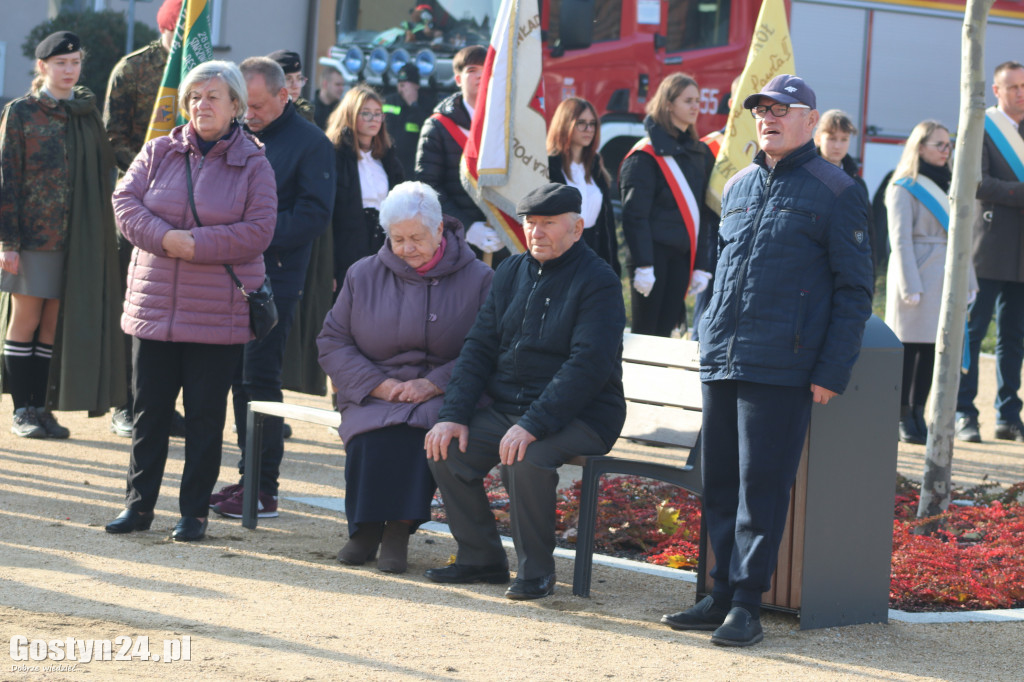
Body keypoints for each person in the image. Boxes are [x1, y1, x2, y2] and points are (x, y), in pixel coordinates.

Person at [664, 75, 872, 646]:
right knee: (720, 485)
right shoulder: (737, 186)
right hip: (724, 359)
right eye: (761, 111)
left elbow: (855, 291)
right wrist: (707, 334)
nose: (769, 119)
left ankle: (748, 605)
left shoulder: (836, 190)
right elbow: (722, 271)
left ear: (810, 120)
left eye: (783, 110)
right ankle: (721, 594)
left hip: (784, 364)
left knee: (763, 486)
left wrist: (831, 370)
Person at [423, 183, 626, 601]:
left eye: (548, 224)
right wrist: (453, 413)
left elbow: (587, 366)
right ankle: (481, 558)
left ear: (577, 228)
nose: (536, 233)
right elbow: (478, 347)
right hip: (510, 409)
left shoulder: (599, 281)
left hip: (584, 415)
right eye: (530, 223)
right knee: (445, 447)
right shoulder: (511, 271)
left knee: (525, 458)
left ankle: (536, 571)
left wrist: (533, 424)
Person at [106, 60, 277, 541]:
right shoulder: (158, 151)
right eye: (195, 97)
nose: (203, 105)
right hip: (154, 307)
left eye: (214, 96)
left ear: (236, 105)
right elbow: (125, 203)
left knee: (205, 418)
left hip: (216, 313)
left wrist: (195, 245)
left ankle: (193, 513)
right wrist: (167, 238)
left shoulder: (255, 164)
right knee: (149, 415)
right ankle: (138, 508)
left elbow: (259, 231)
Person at [317, 182, 493, 574]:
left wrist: (433, 383)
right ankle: (364, 529)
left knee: (422, 432)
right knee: (371, 434)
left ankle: (398, 530)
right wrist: (376, 385)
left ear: (439, 230)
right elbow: (332, 341)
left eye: (416, 238)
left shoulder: (479, 278)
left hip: (444, 390)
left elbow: (489, 348)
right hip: (374, 388)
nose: (406, 248)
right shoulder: (363, 274)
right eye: (397, 239)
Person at [208, 56, 336, 520]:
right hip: (223, 274)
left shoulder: (312, 144)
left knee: (259, 382)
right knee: (233, 383)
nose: (249, 113)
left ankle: (264, 490)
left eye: (258, 105)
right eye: (244, 104)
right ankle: (247, 478)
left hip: (273, 280)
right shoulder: (235, 134)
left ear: (286, 96)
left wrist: (249, 232)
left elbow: (313, 216)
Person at [1, 31, 126, 439]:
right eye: (60, 64)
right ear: (43, 68)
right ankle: (22, 409)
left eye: (74, 63)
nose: (69, 71)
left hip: (76, 238)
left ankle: (42, 407)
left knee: (54, 325)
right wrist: (8, 242)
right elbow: (6, 179)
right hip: (32, 236)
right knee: (27, 319)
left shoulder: (85, 113)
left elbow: (108, 164)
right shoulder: (22, 112)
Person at [102, 0, 182, 439]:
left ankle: (160, 405)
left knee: (174, 310)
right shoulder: (133, 69)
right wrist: (155, 178)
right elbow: (114, 136)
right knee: (132, 307)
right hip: (139, 206)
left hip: (189, 213)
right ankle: (124, 402)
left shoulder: (202, 72)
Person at [885, 120, 977, 444]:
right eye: (938, 144)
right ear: (919, 147)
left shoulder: (953, 184)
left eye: (947, 144)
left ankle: (918, 412)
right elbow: (901, 240)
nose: (945, 150)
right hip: (916, 275)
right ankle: (900, 415)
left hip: (945, 276)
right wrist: (910, 284)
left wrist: (971, 279)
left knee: (930, 350)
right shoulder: (903, 185)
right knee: (909, 350)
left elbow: (962, 237)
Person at [956, 61, 1024, 443]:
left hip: (1021, 253)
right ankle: (964, 411)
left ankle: (1008, 414)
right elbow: (977, 182)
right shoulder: (982, 126)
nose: (1020, 93)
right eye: (1012, 87)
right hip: (988, 248)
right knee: (972, 331)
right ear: (996, 90)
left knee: (1013, 336)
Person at [619, 73, 715, 337]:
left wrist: (700, 265)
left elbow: (702, 212)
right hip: (652, 257)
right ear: (668, 104)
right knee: (645, 335)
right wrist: (643, 264)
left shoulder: (699, 153)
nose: (696, 106)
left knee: (665, 338)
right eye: (688, 101)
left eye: (697, 100)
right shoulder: (645, 154)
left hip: (682, 257)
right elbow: (634, 215)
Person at [416, 45, 508, 264]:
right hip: (454, 244)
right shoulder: (437, 126)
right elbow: (428, 188)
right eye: (471, 70)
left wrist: (509, 225)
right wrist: (466, 227)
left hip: (502, 241)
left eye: (485, 69)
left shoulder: (505, 124)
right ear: (458, 79)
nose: (480, 75)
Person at [327, 84, 405, 289]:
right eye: (366, 114)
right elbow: (328, 217)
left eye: (378, 114)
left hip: (383, 249)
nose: (374, 120)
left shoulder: (387, 158)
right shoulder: (334, 156)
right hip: (348, 251)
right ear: (351, 115)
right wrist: (330, 268)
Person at [546, 97, 620, 275]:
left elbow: (607, 222)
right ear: (565, 124)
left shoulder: (595, 165)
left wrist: (613, 266)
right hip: (561, 255)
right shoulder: (548, 166)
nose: (589, 129)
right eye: (581, 123)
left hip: (595, 256)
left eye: (592, 124)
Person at [814, 109, 877, 275]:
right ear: (818, 138)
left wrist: (871, 272)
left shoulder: (857, 183)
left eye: (844, 139)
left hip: (847, 266)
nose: (837, 145)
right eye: (832, 138)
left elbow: (867, 229)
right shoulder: (805, 175)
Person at [384, 62, 434, 178]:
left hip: (412, 167)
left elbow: (429, 130)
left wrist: (413, 105)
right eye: (400, 83)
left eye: (406, 83)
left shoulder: (427, 104)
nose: (402, 86)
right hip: (389, 163)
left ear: (416, 85)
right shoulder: (388, 101)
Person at [268, 50, 315, 124]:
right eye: (288, 79)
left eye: (299, 78)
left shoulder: (305, 112)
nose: (295, 86)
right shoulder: (261, 115)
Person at [313, 64, 345, 131]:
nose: (342, 88)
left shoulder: (342, 112)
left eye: (343, 85)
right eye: (338, 84)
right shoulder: (309, 111)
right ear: (325, 84)